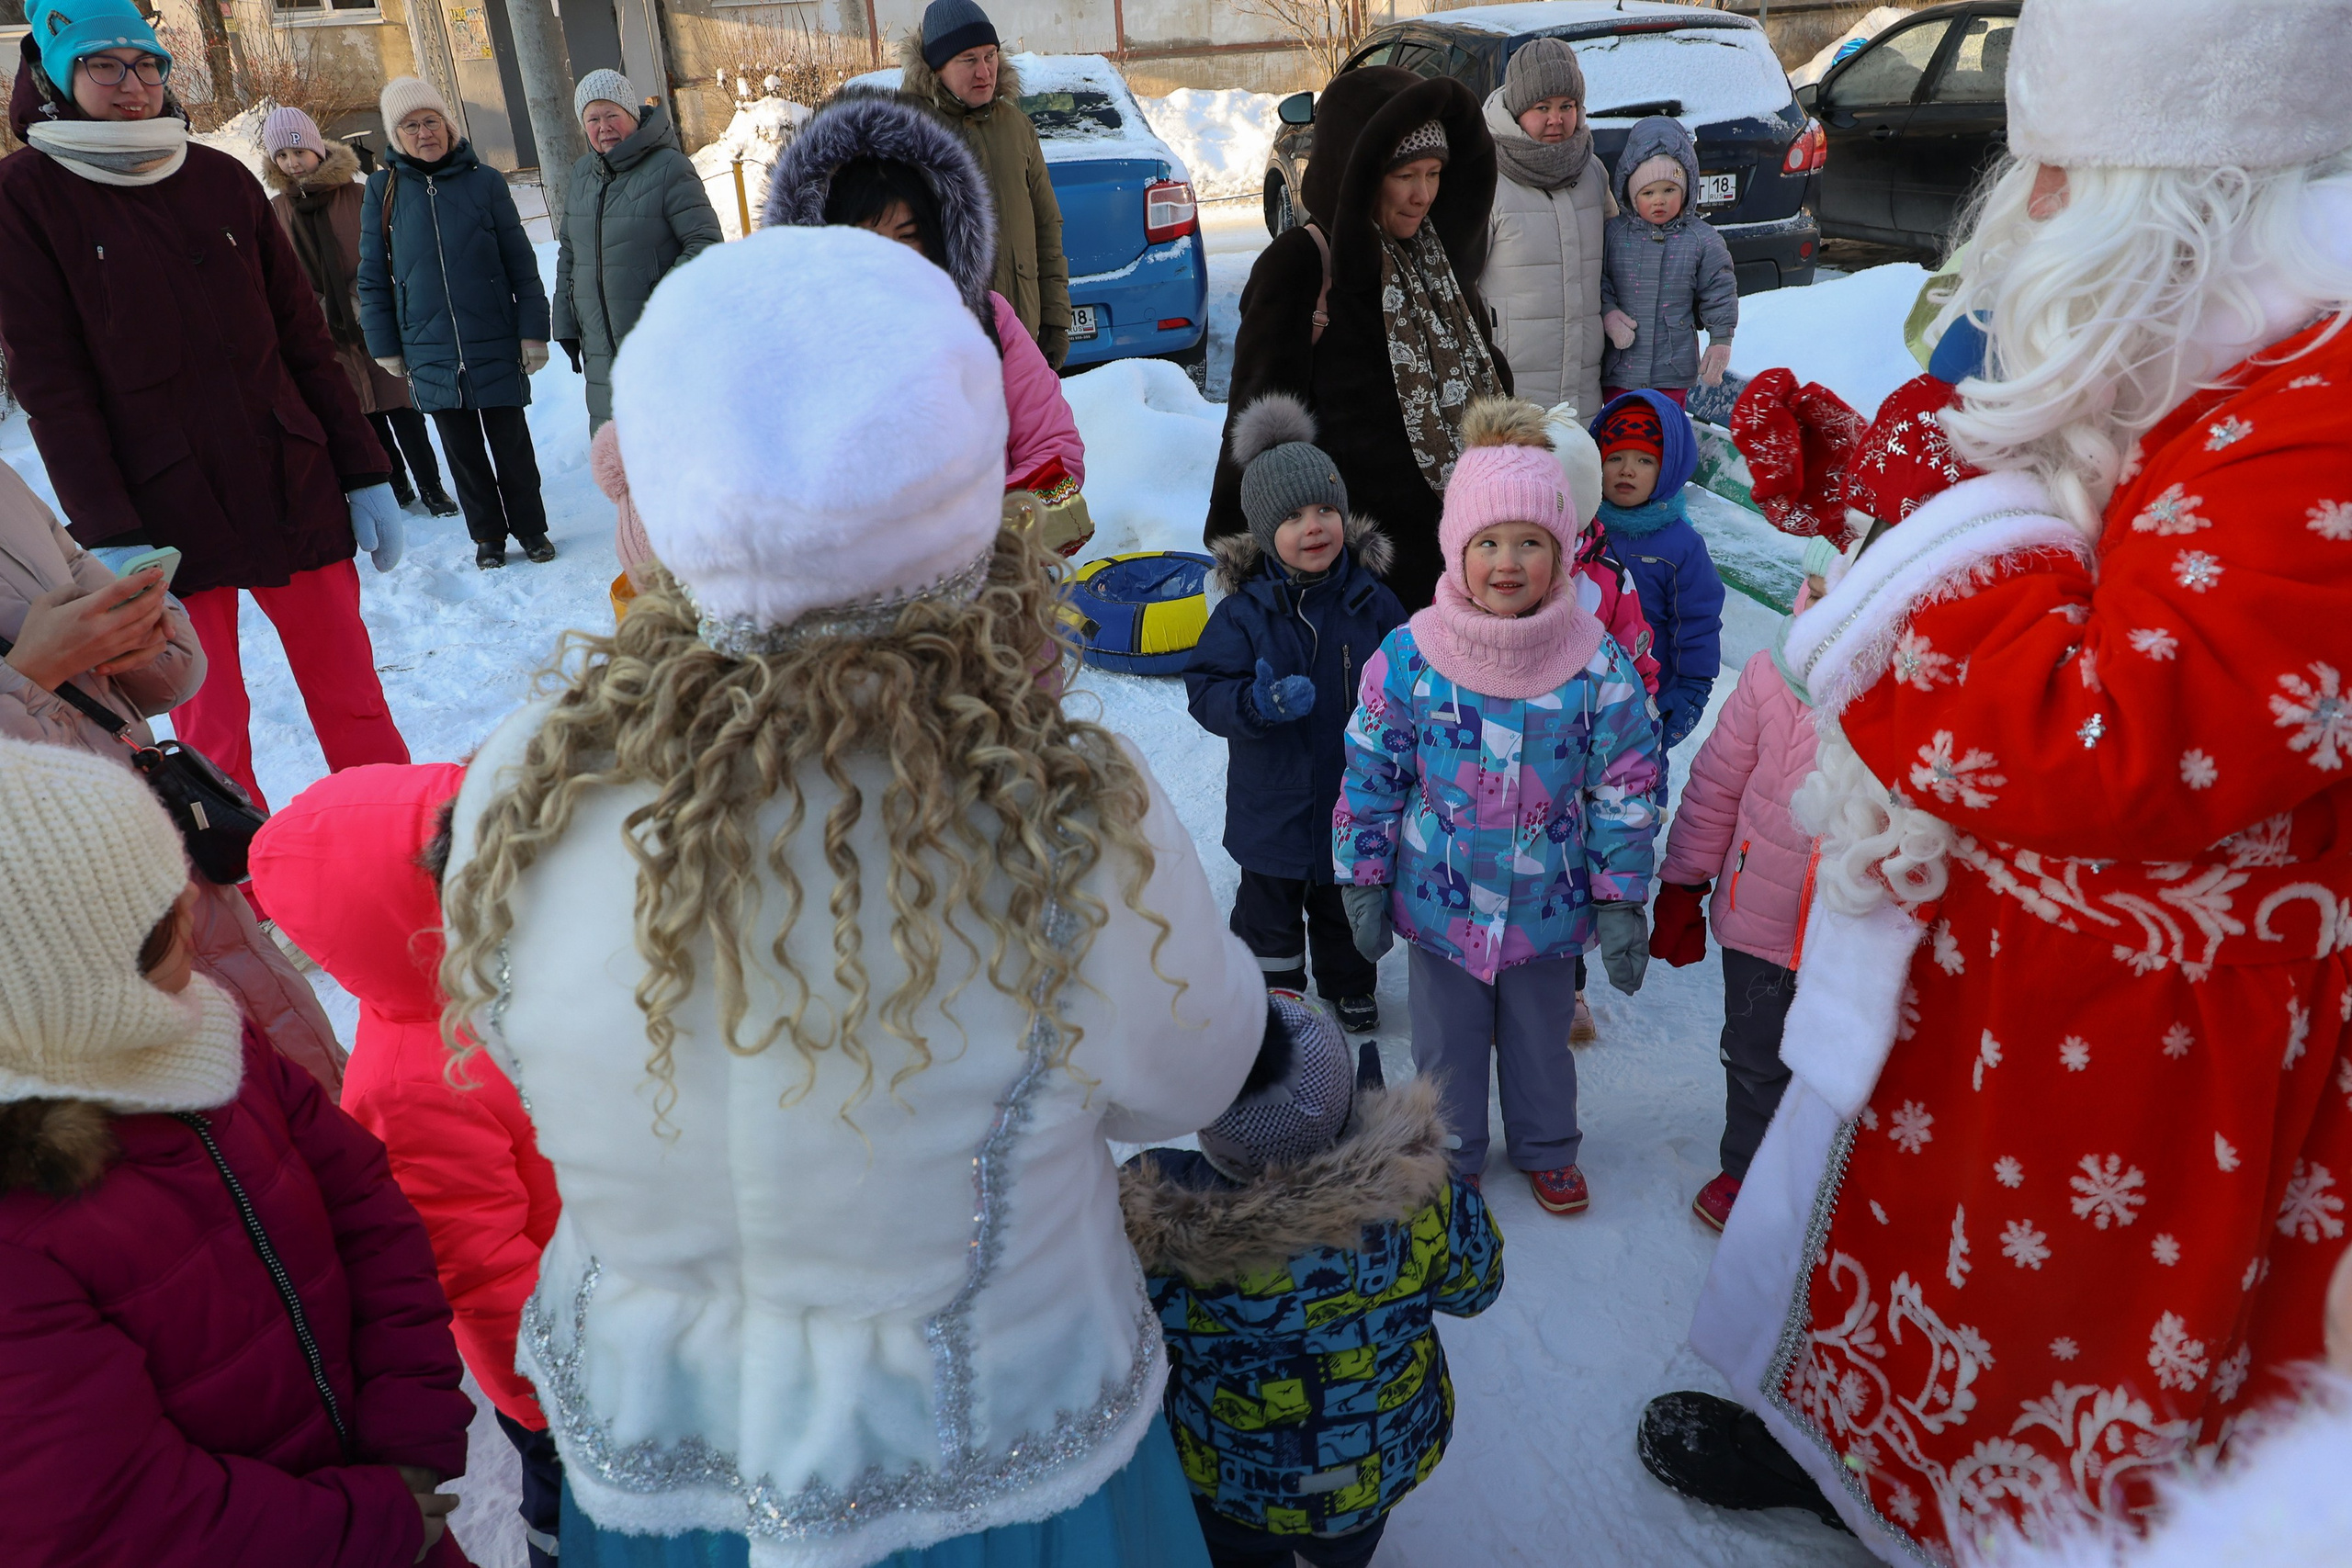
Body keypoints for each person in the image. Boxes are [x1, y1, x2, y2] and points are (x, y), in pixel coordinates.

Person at [436, 224, 1264, 1565]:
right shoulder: (1060, 806)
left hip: (670, 1450)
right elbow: (1195, 1069)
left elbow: (534, 1062)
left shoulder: (529, 786)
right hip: (991, 1459)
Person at [1645, 0, 2352, 1556]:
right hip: (2021, 1006)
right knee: (1933, 1251)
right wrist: (1890, 485)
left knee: (2062, 1327)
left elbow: (2127, 737)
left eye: (2053, 173)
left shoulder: (2322, 422)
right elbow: (2034, 498)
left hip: (2153, 1076)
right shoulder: (2198, 346)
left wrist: (1919, 565)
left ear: (2183, 188)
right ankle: (1863, 1453)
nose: (2021, 210)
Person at [0, 736, 476, 1565]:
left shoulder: (201, 1024)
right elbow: (117, 1513)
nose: (193, 904)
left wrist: (410, 1437)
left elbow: (366, 1202)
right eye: (153, 921)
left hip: (389, 1512)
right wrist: (369, 1523)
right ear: (55, 991)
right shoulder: (21, 1243)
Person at [0, 0, 412, 813]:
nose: (134, 85)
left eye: (148, 64)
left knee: (354, 694)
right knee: (209, 724)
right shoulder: (26, 197)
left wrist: (365, 469)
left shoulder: (218, 176)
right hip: (164, 508)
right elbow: (52, 383)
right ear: (54, 72)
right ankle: (246, 889)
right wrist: (113, 537)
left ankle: (397, 842)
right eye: (105, 66)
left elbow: (304, 341)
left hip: (290, 476)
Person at [1335, 398, 1661, 1215]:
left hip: (1548, 907)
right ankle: (1453, 1149)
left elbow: (1625, 783)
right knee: (1445, 1048)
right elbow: (1372, 769)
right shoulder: (1413, 656)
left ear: (1562, 551)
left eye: (1530, 543)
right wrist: (1363, 876)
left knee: (1541, 1043)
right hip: (1442, 906)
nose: (1507, 562)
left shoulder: (1594, 663)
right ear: (1458, 549)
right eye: (1488, 542)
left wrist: (1622, 898)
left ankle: (1548, 1143)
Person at [248, 762, 566, 1568]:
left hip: (613, 1292)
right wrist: (552, 1397)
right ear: (422, 916)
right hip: (565, 1377)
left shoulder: (510, 988)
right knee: (569, 1507)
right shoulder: (410, 1086)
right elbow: (481, 1275)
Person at [1122, 993, 1503, 1568]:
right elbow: (1479, 1287)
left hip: (1232, 1476)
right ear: (1350, 1098)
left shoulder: (1166, 1239)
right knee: (1350, 1538)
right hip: (1383, 1453)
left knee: (1237, 1550)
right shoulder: (1422, 1196)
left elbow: (1122, 1343)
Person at [0, 459, 347, 1091]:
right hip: (60, 931)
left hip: (160, 847)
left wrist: (150, 632)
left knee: (304, 1079)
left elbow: (103, 600)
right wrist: (29, 678)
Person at [1210, 68, 1509, 612]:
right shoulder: (1301, 265)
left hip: (1461, 558)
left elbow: (1489, 383)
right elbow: (1258, 426)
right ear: (1362, 175)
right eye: (1405, 176)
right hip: (1352, 577)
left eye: (1435, 173)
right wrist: (1246, 556)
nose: (1423, 195)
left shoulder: (1439, 264)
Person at [762, 85, 1090, 549]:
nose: (891, 256)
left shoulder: (987, 321)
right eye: (867, 237)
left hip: (993, 586)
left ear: (936, 234)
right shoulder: (797, 350)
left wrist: (988, 537)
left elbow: (1052, 448)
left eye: (907, 233)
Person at [1184, 394, 1404, 1036]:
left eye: (1326, 509)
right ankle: (1272, 994)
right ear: (1264, 531)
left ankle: (1349, 983)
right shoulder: (1244, 614)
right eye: (1293, 516)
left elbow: (1411, 675)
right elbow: (1205, 689)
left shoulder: (1373, 602)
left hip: (1352, 800)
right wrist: (1256, 704)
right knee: (1268, 910)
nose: (1314, 527)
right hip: (1271, 808)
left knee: (1345, 903)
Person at [1648, 571, 1826, 1232]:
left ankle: (1823, 1178)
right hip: (1760, 917)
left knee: (1835, 1067)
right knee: (1754, 1051)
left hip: (1852, 930)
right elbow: (1717, 784)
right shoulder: (1769, 675)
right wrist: (1683, 885)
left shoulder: (1910, 693)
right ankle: (1747, 1164)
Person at [360, 76, 555, 570]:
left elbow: (520, 261)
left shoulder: (485, 181)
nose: (424, 133)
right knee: (462, 451)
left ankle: (531, 530)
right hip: (427, 346)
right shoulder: (383, 190)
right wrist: (384, 342)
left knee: (512, 445)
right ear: (396, 136)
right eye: (410, 125)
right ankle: (487, 537)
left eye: (431, 121)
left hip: (493, 336)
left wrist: (533, 330)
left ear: (448, 125)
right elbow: (372, 273)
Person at [263, 105, 459, 519]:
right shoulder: (275, 210)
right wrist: (313, 308)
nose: (293, 162)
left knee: (401, 410)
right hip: (318, 330)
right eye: (282, 156)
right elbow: (277, 274)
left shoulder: (359, 193)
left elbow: (386, 254)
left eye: (298, 151)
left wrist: (358, 298)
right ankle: (396, 484)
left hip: (375, 319)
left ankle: (432, 487)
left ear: (317, 150)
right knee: (361, 416)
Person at [900, 0, 1070, 367]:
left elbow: (1046, 227)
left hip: (1023, 335)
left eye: (990, 56)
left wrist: (1056, 319)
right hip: (947, 347)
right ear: (936, 66)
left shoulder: (1016, 127)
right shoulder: (907, 133)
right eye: (968, 60)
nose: (985, 72)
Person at [553, 70, 722, 434]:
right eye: (593, 119)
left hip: (660, 340)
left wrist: (660, 303)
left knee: (670, 447)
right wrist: (565, 321)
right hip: (599, 343)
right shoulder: (583, 173)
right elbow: (569, 251)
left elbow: (705, 245)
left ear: (632, 114)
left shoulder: (669, 167)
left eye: (612, 114)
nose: (604, 127)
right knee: (620, 456)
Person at [1480, 38, 1613, 416]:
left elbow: (1612, 265)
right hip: (1511, 394)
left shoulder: (1592, 174)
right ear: (1518, 109)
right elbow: (1461, 281)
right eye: (1543, 107)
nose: (1557, 119)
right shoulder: (1489, 179)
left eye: (1566, 106)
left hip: (1583, 391)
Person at [1592, 391, 1722, 752]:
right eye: (1614, 457)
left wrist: (1692, 688)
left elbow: (1697, 621)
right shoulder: (1584, 531)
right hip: (1581, 692)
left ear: (1667, 469)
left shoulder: (1681, 546)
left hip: (1648, 697)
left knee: (1642, 780)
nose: (1627, 470)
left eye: (1644, 460)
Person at [1598, 115, 1737, 405]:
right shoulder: (1613, 235)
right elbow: (1597, 279)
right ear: (1631, 194)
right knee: (1621, 434)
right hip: (1620, 369)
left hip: (1672, 369)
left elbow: (1719, 290)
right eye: (1648, 192)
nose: (1659, 200)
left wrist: (1721, 339)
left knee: (1667, 436)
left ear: (1686, 190)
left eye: (1669, 190)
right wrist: (1608, 311)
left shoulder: (1702, 239)